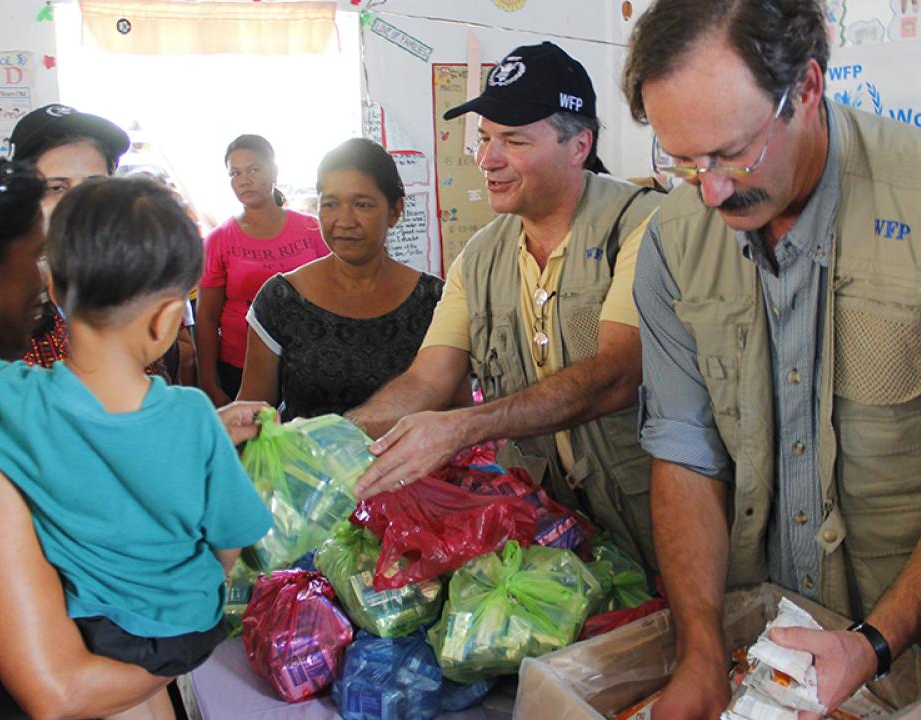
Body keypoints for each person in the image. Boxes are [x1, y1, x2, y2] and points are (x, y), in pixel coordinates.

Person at [622, 1, 921, 718]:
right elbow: (683, 448)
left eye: (734, 152)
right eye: (683, 162)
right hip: (764, 658)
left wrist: (871, 645)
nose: (711, 190)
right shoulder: (674, 241)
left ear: (806, 88)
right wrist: (703, 651)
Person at [0, 138, 269, 719]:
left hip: (93, 633)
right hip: (169, 638)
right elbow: (60, 691)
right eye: (32, 255)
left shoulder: (1, 398)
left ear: (62, 293)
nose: (37, 280)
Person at [346, 42, 664, 571]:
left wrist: (465, 427)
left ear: (578, 145)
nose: (487, 160)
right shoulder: (480, 255)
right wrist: (331, 437)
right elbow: (429, 381)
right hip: (547, 530)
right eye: (485, 138)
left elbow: (617, 373)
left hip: (653, 518)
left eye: (513, 141)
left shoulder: (643, 225)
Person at [238, 138, 443, 419]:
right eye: (331, 204)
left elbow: (454, 408)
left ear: (395, 211)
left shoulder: (435, 300)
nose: (344, 220)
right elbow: (251, 414)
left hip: (413, 463)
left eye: (362, 204)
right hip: (303, 463)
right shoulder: (281, 300)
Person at [197, 134, 331, 406]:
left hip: (308, 361)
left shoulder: (313, 230)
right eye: (235, 173)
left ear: (274, 171)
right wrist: (208, 382)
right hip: (240, 366)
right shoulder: (219, 240)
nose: (244, 180)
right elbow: (207, 317)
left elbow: (336, 295)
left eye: (253, 169)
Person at [9, 103, 132, 369]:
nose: (78, 201)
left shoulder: (137, 283)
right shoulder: (0, 301)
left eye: (94, 185)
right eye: (57, 187)